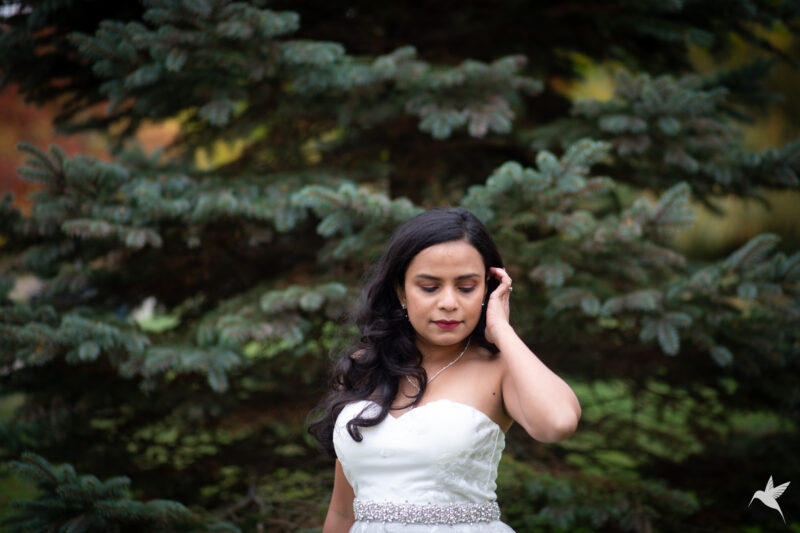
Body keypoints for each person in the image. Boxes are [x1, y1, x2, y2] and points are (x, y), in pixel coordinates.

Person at [309, 208, 581, 532]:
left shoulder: (499, 369)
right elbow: (342, 512)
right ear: (401, 290)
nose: (449, 302)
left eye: (466, 287)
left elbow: (558, 423)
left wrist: (501, 330)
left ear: (487, 290)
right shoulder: (364, 367)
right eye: (429, 287)